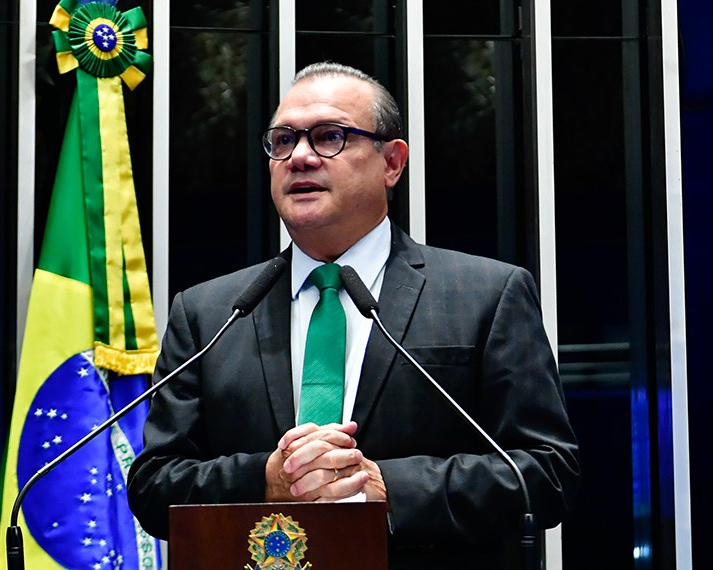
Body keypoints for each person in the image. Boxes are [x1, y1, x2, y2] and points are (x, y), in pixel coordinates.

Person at [127, 62, 580, 568]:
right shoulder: (210, 313)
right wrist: (268, 480)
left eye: (329, 137)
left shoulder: (486, 295)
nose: (299, 157)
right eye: (283, 141)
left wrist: (385, 487)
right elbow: (153, 485)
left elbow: (546, 472)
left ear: (392, 162)